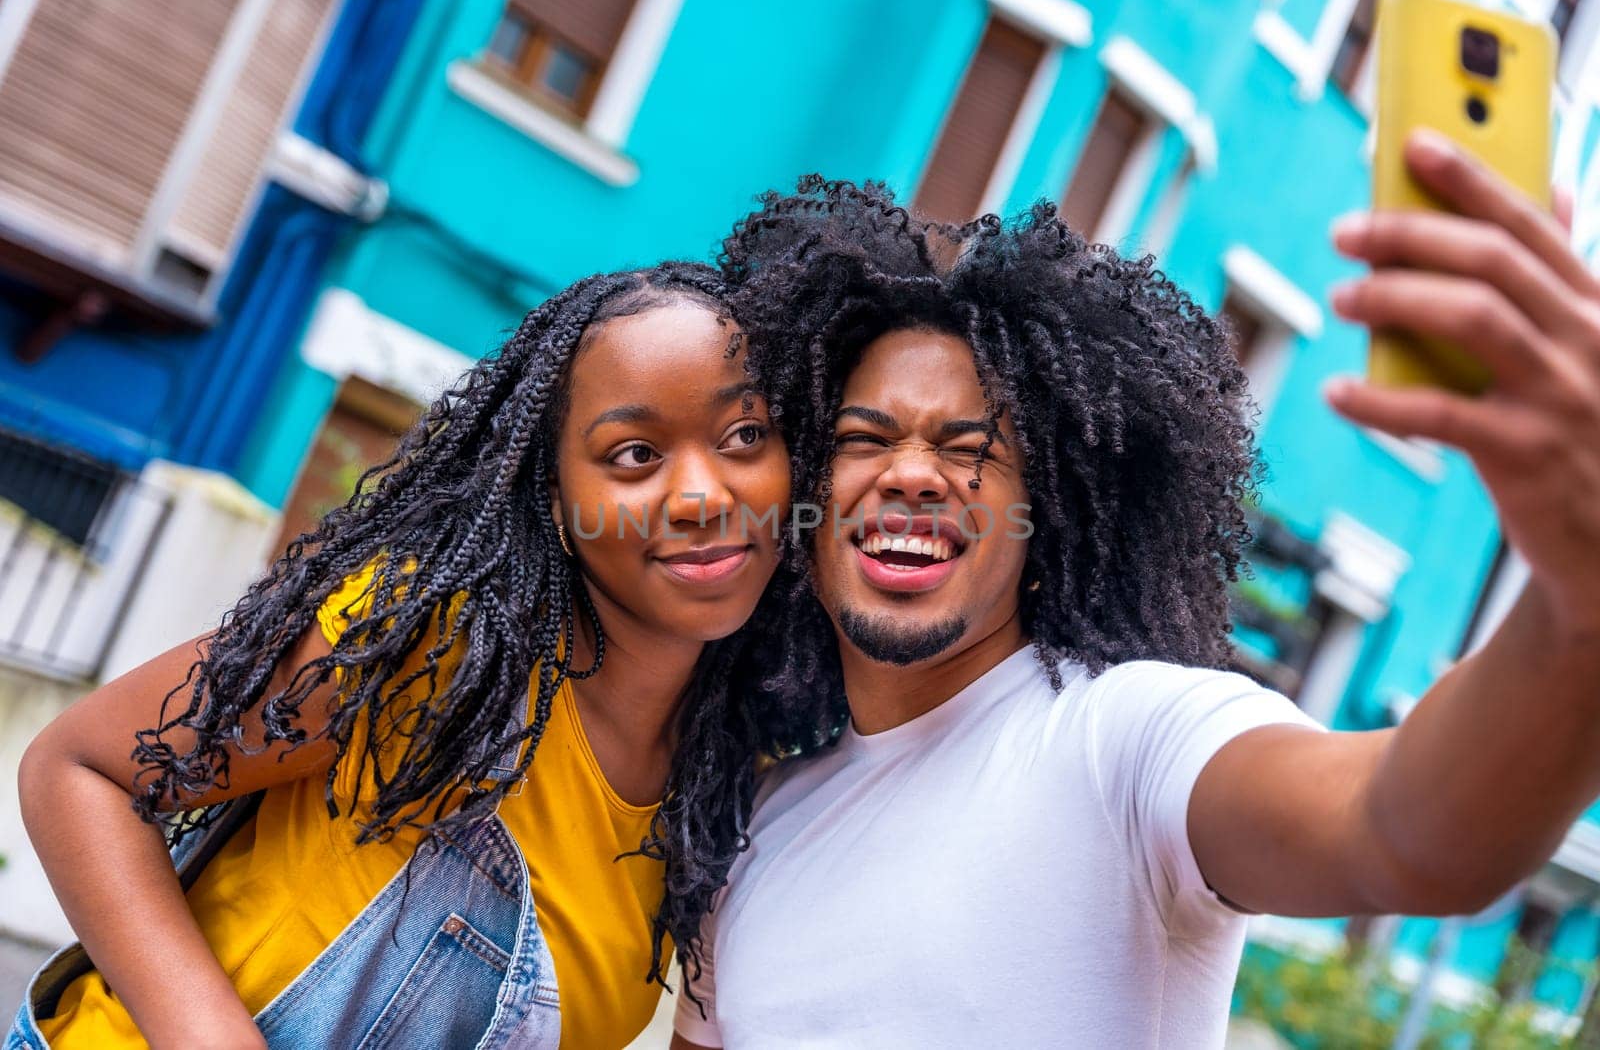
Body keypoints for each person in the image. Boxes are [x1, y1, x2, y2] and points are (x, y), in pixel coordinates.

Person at [672, 135, 1600, 1049]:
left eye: (971, 450)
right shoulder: (756, 829)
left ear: (1050, 520)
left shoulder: (1130, 739)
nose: (912, 474)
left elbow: (1407, 832)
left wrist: (1580, 597)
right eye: (866, 439)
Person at [8, 262, 832, 1050]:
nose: (702, 495)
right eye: (635, 455)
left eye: (744, 434)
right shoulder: (434, 642)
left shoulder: (725, 782)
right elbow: (81, 769)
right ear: (554, 493)